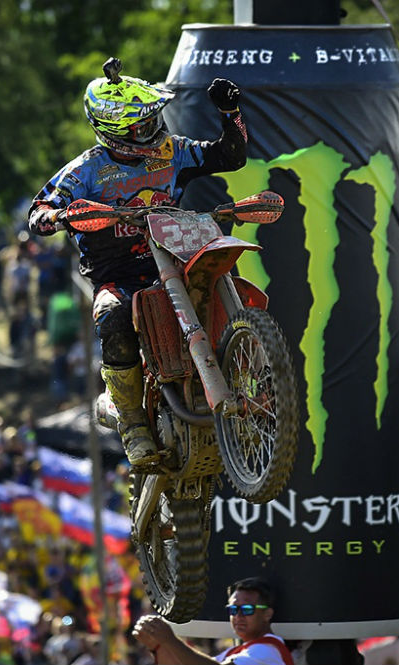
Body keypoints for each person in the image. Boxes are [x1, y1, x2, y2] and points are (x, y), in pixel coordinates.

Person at [27, 57, 246, 468]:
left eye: (152, 120)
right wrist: (59, 216)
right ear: (112, 130)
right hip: (120, 276)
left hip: (177, 258)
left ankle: (246, 364)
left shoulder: (172, 150)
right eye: (141, 125)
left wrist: (230, 113)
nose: (152, 129)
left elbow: (228, 157)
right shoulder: (85, 171)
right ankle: (131, 422)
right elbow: (38, 211)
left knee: (223, 271)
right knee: (112, 317)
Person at [133, 577, 293, 664]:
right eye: (233, 609)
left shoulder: (267, 651)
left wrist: (170, 640)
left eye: (247, 609)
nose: (238, 616)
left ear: (267, 614)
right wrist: (157, 645)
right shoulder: (234, 653)